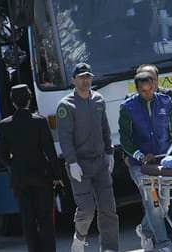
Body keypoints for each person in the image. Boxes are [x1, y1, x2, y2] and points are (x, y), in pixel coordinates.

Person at [56, 63, 119, 252]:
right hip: (79, 165)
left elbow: (105, 128)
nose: (86, 80)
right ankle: (80, 237)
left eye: (88, 76)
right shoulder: (66, 105)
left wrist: (110, 152)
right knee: (87, 209)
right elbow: (64, 137)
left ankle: (109, 248)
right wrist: (72, 162)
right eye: (82, 77)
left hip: (100, 162)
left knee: (108, 209)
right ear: (73, 80)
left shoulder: (98, 99)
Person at [119, 72, 172, 251]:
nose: (147, 93)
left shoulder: (166, 102)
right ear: (137, 89)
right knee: (153, 203)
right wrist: (140, 156)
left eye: (150, 89)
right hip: (140, 165)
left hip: (163, 161)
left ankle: (145, 230)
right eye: (143, 91)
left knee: (164, 203)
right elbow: (125, 139)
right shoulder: (127, 107)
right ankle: (163, 244)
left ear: (154, 86)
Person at [0, 84, 63, 252]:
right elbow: (50, 151)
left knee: (28, 220)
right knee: (45, 220)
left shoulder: (5, 125)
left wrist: (14, 165)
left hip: (20, 178)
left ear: (13, 102)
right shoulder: (39, 121)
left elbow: (3, 155)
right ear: (29, 99)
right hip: (42, 176)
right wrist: (57, 176)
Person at [136, 64, 172, 134]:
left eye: (152, 79)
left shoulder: (168, 95)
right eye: (145, 80)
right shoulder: (130, 102)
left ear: (157, 80)